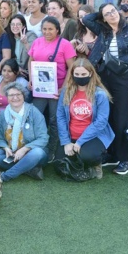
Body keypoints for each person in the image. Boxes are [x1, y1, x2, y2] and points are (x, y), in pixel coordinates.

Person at [82, 3, 128, 175]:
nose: (112, 15)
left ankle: (125, 158)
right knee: (106, 115)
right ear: (103, 18)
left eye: (113, 11)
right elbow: (87, 18)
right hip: (104, 77)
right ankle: (111, 154)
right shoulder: (103, 30)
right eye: (107, 14)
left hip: (125, 78)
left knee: (122, 118)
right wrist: (101, 12)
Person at [28, 16, 77, 159]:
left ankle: (53, 149)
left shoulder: (65, 44)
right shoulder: (37, 42)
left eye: (50, 29)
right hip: (39, 88)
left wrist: (64, 87)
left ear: (57, 30)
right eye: (44, 29)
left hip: (57, 89)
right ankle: (36, 146)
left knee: (55, 119)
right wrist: (31, 79)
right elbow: (31, 61)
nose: (47, 32)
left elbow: (71, 67)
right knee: (35, 117)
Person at [56, 58, 113, 180]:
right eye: (77, 74)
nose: (80, 77)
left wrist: (80, 142)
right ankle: (79, 158)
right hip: (72, 134)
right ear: (72, 74)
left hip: (93, 136)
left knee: (87, 156)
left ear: (90, 74)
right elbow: (60, 116)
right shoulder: (66, 91)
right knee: (59, 160)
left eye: (83, 74)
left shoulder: (100, 94)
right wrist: (66, 142)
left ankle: (96, 164)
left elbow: (101, 121)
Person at [0, 82, 49, 181]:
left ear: (23, 96)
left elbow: (43, 138)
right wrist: (5, 147)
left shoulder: (34, 112)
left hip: (31, 153)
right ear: (7, 98)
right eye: (11, 95)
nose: (15, 97)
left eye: (18, 94)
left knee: (37, 153)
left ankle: (5, 176)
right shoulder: (3, 115)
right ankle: (28, 169)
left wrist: (25, 149)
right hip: (12, 153)